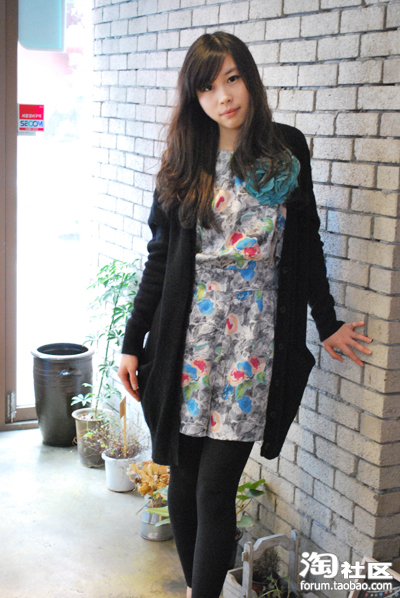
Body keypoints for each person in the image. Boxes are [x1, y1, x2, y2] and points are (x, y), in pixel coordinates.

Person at [118, 32, 373, 598]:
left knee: (214, 488)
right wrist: (133, 341)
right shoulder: (185, 160)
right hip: (188, 343)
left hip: (252, 345)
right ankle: (198, 588)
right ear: (195, 98)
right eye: (208, 88)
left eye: (232, 79)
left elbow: (305, 245)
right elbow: (159, 259)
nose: (224, 97)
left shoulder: (286, 151)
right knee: (183, 480)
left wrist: (327, 322)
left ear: (250, 78)